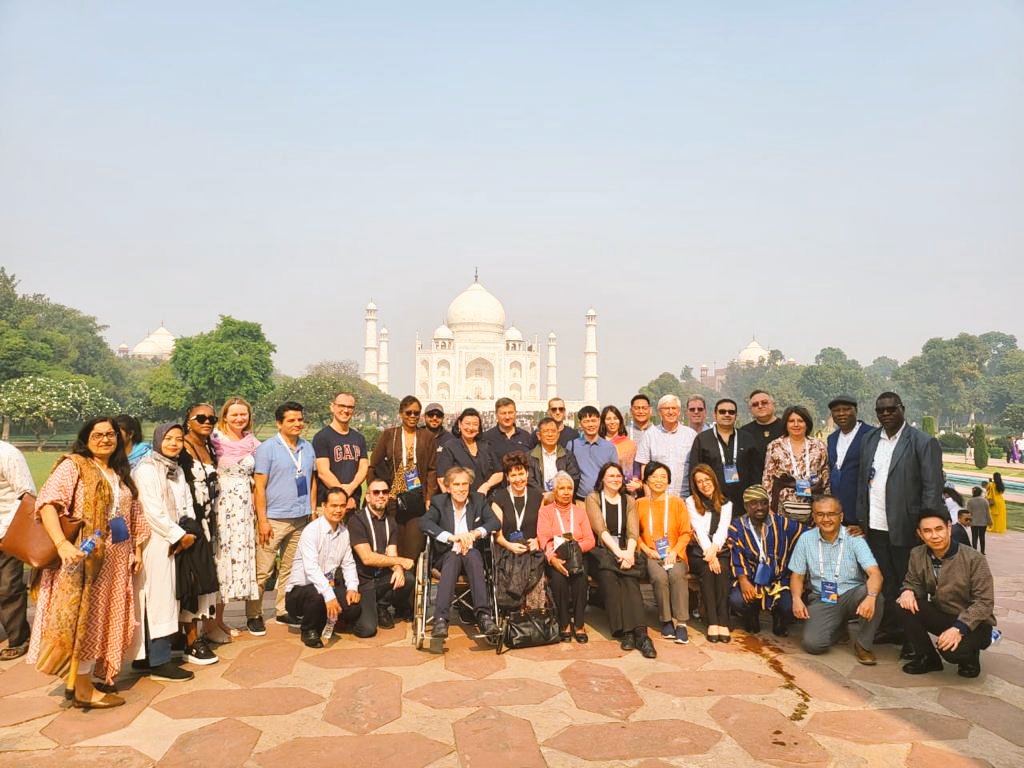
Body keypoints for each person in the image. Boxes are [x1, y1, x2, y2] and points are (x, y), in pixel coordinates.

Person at [27, 417, 148, 709]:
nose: (105, 439)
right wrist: (62, 543)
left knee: (100, 619)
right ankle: (81, 688)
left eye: (110, 434)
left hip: (115, 561)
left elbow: (131, 513)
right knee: (84, 621)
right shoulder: (74, 466)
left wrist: (137, 551)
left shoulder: (118, 471)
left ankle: (82, 678)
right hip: (82, 560)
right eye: (98, 434)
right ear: (86, 438)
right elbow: (47, 505)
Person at [856, 391, 943, 653]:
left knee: (911, 584)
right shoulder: (870, 439)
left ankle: (913, 638)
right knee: (887, 581)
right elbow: (864, 482)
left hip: (906, 527)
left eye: (891, 409)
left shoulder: (921, 442)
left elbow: (932, 487)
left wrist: (925, 527)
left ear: (902, 409)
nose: (886, 414)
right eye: (880, 410)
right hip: (875, 526)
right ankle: (893, 628)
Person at [896, 509, 996, 678]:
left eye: (939, 529)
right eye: (927, 531)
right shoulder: (917, 554)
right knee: (902, 605)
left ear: (949, 528)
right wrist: (908, 591)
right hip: (943, 614)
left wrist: (959, 628)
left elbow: (984, 602)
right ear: (920, 534)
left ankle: (970, 656)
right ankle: (928, 658)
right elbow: (913, 582)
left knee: (951, 653)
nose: (934, 536)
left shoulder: (974, 558)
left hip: (975, 624)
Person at [131, 423, 196, 682]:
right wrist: (178, 535)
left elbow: (187, 504)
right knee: (158, 601)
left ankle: (153, 657)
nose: (174, 443)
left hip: (176, 540)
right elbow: (152, 511)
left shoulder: (176, 469)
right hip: (156, 542)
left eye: (179, 439)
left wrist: (189, 530)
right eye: (168, 438)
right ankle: (158, 660)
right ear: (158, 440)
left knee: (167, 599)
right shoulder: (147, 470)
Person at [246, 401, 316, 636]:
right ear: (280, 423)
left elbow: (311, 480)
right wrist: (262, 520)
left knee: (290, 567)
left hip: (300, 517)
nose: (297, 424)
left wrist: (312, 509)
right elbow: (259, 487)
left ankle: (282, 608)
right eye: (291, 420)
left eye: (299, 419)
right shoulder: (268, 449)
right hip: (274, 519)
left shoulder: (307, 447)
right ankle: (254, 614)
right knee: (263, 571)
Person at [789, 495, 883, 665]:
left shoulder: (854, 538)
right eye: (820, 514)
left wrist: (871, 597)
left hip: (852, 594)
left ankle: (863, 645)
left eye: (831, 514)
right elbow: (797, 575)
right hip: (823, 598)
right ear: (814, 516)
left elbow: (875, 573)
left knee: (874, 594)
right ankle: (839, 628)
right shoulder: (806, 539)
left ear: (841, 516)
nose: (826, 519)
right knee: (813, 645)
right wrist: (796, 598)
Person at [584, 463, 656, 658]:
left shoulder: (628, 500)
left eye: (618, 476)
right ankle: (626, 632)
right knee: (610, 580)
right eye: (611, 476)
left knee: (630, 582)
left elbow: (633, 531)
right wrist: (619, 553)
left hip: (626, 549)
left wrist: (630, 553)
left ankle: (641, 633)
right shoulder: (593, 498)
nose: (615, 479)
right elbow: (600, 529)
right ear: (602, 479)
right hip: (602, 551)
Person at [420, 467, 500, 639]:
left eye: (465, 484)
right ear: (448, 487)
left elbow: (495, 522)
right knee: (454, 557)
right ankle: (441, 619)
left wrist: (475, 533)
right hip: (446, 557)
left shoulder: (478, 500)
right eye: (456, 484)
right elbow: (425, 523)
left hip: (473, 560)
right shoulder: (439, 502)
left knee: (472, 555)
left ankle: (484, 617)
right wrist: (452, 538)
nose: (461, 488)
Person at [208, 396, 261, 642]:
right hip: (222, 509)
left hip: (243, 511)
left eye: (244, 414)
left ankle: (221, 620)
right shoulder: (215, 440)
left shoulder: (252, 442)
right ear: (224, 416)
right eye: (234, 414)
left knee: (234, 564)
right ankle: (211, 624)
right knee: (220, 563)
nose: (239, 418)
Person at [284, 487, 362, 648]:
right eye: (334, 505)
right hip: (301, 591)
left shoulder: (344, 532)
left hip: (328, 586)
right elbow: (311, 568)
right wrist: (329, 596)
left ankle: (329, 618)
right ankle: (309, 629)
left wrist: (352, 587)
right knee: (318, 595)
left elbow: (348, 563)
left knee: (353, 608)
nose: (338, 510)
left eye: (342, 505)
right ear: (324, 506)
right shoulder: (311, 531)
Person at [728, 484, 805, 637]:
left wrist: (843, 530)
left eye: (764, 502)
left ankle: (778, 616)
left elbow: (806, 533)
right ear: (745, 506)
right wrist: (743, 581)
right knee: (737, 600)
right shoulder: (737, 527)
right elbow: (736, 555)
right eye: (754, 503)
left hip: (778, 581)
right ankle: (752, 613)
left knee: (788, 606)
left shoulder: (781, 523)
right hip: (750, 581)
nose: (760, 507)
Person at [368, 395, 438, 560]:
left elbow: (432, 469)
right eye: (409, 413)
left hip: (416, 497)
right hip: (393, 497)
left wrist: (429, 497)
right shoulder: (389, 435)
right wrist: (375, 493)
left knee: (413, 547)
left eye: (416, 413)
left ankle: (410, 580)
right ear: (401, 413)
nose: (412, 416)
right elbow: (374, 464)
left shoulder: (426, 436)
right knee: (393, 544)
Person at [179, 403, 222, 663]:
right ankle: (191, 640)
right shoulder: (182, 447)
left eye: (212, 418)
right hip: (191, 523)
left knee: (206, 579)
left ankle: (200, 632)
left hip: (210, 522)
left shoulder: (208, 447)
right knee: (193, 581)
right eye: (201, 418)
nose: (207, 422)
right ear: (188, 421)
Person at [347, 479, 416, 636]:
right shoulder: (356, 520)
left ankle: (381, 606)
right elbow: (367, 558)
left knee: (407, 578)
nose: (381, 495)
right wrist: (401, 561)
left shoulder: (390, 522)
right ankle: (357, 614)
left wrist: (398, 568)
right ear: (368, 497)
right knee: (367, 630)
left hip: (380, 577)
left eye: (385, 492)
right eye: (376, 492)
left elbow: (392, 552)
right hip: (362, 581)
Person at [537, 471, 596, 643]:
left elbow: (590, 540)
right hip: (556, 556)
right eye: (561, 488)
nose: (566, 492)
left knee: (581, 579)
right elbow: (543, 539)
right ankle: (564, 623)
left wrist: (574, 548)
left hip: (578, 557)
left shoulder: (579, 512)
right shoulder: (546, 512)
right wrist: (553, 559)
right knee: (558, 579)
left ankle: (579, 624)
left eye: (569, 488)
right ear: (554, 492)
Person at [637, 462, 692, 644]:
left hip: (675, 553)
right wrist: (646, 549)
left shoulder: (677, 503)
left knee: (676, 574)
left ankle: (682, 623)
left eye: (662, 477)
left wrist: (675, 551)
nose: (658, 480)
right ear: (646, 481)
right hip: (651, 553)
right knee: (659, 577)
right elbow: (634, 534)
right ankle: (666, 620)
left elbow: (686, 532)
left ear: (668, 481)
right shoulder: (640, 504)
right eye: (654, 477)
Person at [686, 464, 734, 642]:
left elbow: (722, 529)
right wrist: (709, 554)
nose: (704, 484)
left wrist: (714, 552)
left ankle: (724, 621)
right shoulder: (691, 502)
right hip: (699, 551)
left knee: (721, 570)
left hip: (719, 549)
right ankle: (713, 621)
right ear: (695, 485)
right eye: (699, 482)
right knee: (708, 570)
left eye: (707, 480)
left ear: (713, 480)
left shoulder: (726, 503)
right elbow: (698, 530)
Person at [0, 438, 37, 660]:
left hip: (7, 530)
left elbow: (27, 494)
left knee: (8, 587)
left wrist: (14, 532)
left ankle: (19, 637)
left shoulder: (7, 453)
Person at [762, 405, 830, 522]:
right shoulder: (775, 446)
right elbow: (768, 477)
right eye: (791, 421)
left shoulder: (819, 446)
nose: (796, 424)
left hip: (813, 505)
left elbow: (825, 475)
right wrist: (767, 506)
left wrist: (827, 502)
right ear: (786, 424)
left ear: (807, 423)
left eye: (800, 421)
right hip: (782, 506)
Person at [688, 398, 758, 510]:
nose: (727, 414)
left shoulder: (747, 438)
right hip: (712, 503)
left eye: (731, 412)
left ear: (736, 416)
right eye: (722, 411)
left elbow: (756, 472)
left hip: (743, 504)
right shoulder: (702, 439)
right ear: (715, 414)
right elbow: (694, 471)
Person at [313, 391, 368, 511]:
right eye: (341, 406)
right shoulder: (321, 437)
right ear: (332, 407)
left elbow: (363, 468)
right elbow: (323, 472)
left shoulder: (359, 438)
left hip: (353, 502)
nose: (346, 410)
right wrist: (343, 495)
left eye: (350, 407)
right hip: (329, 504)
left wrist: (351, 488)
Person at [636, 394, 699, 498]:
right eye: (666, 408)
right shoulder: (650, 434)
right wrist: (648, 495)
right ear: (660, 412)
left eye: (674, 408)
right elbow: (644, 467)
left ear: (679, 412)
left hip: (685, 496)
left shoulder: (690, 435)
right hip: (657, 496)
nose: (670, 412)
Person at [825, 396, 872, 531]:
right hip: (838, 513)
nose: (841, 414)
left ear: (856, 410)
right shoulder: (832, 438)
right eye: (836, 410)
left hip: (861, 514)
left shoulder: (870, 435)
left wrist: (864, 522)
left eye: (846, 409)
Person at [437, 408, 503, 497]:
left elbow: (499, 473)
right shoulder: (450, 447)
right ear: (460, 424)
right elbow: (442, 478)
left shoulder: (486, 446)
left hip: (485, 500)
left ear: (479, 428)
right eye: (467, 423)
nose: (471, 428)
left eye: (475, 424)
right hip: (460, 501)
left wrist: (486, 485)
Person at [570, 406, 618, 503]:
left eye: (593, 421)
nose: (590, 425)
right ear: (580, 424)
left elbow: (615, 473)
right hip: (580, 500)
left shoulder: (609, 447)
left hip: (603, 499)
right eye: (586, 421)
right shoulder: (572, 445)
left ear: (599, 421)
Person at [528, 417, 581, 501]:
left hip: (564, 501)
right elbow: (529, 480)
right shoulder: (529, 456)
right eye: (546, 431)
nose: (550, 434)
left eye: (553, 431)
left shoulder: (568, 455)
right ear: (538, 435)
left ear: (558, 434)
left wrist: (559, 494)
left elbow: (575, 477)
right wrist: (545, 495)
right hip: (539, 501)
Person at [740, 390, 787, 482]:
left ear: (773, 405)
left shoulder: (787, 428)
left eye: (764, 403)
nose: (760, 406)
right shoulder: (744, 432)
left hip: (784, 485)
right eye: (755, 404)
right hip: (755, 487)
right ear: (750, 409)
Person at [483, 397, 536, 461]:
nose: (507, 417)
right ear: (496, 415)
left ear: (515, 413)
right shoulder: (487, 437)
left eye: (510, 412)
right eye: (503, 413)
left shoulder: (525, 436)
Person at [965, 486, 991, 554]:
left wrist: (967, 522)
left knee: (974, 537)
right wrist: (990, 522)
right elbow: (988, 512)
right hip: (983, 522)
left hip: (974, 522)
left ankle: (974, 551)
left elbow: (968, 513)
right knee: (982, 537)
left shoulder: (970, 501)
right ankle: (982, 551)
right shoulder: (985, 500)